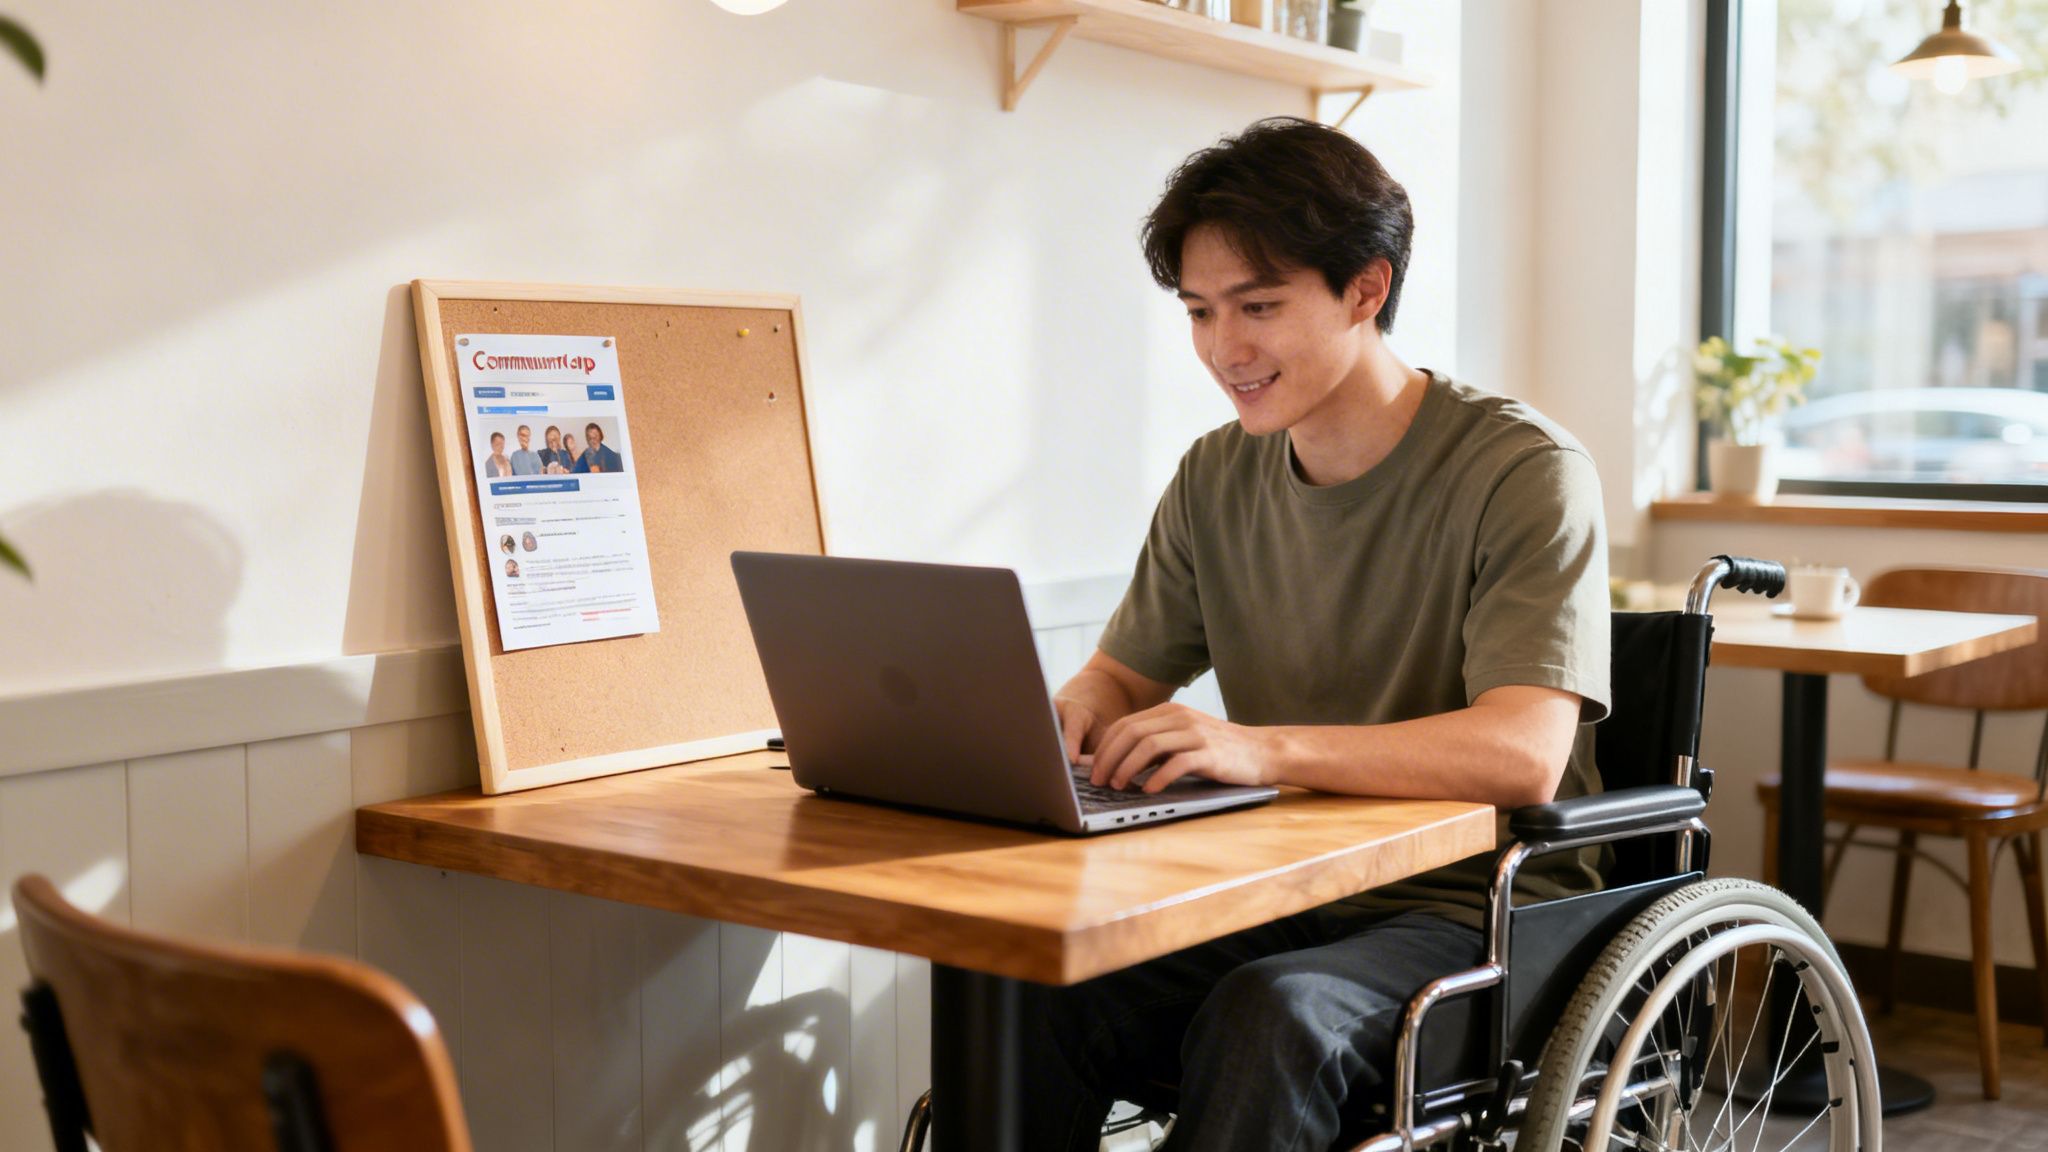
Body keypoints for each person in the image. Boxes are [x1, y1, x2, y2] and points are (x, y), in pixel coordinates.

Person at [1023, 118, 1610, 1151]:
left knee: (1274, 1016)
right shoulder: (1215, 477)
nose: (1223, 349)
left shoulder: (1521, 471)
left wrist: (1258, 747)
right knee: (1038, 985)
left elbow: (1520, 755)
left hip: (1480, 913)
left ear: (1365, 290)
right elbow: (1119, 672)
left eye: (1258, 307)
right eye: (1200, 313)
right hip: (1287, 891)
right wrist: (1061, 719)